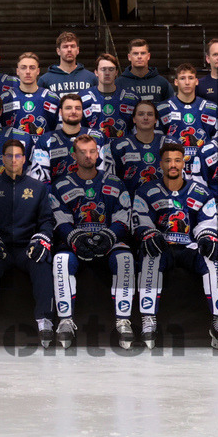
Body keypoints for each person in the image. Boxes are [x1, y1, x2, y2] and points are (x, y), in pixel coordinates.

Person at [132, 142, 218, 349]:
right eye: (168, 161)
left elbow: (207, 222)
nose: (173, 165)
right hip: (163, 246)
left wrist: (206, 236)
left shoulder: (201, 192)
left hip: (189, 247)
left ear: (184, 162)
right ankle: (148, 319)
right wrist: (149, 233)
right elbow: (141, 219)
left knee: (214, 255)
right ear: (161, 164)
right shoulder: (146, 190)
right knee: (150, 255)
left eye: (177, 160)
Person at [50, 135, 135, 348]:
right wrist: (75, 238)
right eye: (83, 152)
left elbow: (123, 215)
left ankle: (123, 321)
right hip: (76, 242)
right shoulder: (61, 185)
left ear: (98, 154)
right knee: (60, 260)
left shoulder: (114, 182)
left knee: (126, 258)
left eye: (92, 151)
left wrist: (109, 236)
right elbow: (59, 218)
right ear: (73, 155)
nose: (88, 156)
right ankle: (65, 322)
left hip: (108, 242)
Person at [0, 139, 57, 348]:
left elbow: (46, 220)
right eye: (9, 156)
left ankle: (44, 321)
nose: (13, 160)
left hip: (26, 248)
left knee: (42, 264)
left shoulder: (38, 188)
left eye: (18, 156)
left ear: (24, 159)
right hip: (0, 248)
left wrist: (42, 239)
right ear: (2, 159)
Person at [28, 93, 106, 184]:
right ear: (60, 112)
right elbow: (40, 181)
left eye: (77, 108)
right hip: (57, 195)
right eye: (68, 108)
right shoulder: (46, 140)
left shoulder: (97, 137)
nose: (73, 111)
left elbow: (104, 174)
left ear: (82, 111)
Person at [157, 63, 218, 175]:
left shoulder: (210, 108)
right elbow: (156, 140)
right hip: (173, 169)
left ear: (196, 81)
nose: (187, 82)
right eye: (182, 78)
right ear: (176, 82)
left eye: (190, 78)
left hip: (203, 169)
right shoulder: (163, 109)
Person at [105, 100, 177, 195]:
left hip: (164, 202)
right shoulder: (120, 146)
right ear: (134, 119)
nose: (145, 118)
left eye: (150, 114)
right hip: (130, 203)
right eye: (141, 114)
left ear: (156, 119)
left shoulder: (169, 143)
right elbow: (112, 180)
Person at [78, 53, 140, 140]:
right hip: (93, 151)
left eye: (111, 69)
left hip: (124, 149)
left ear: (116, 72)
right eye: (103, 69)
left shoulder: (131, 98)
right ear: (96, 72)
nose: (107, 73)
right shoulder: (83, 98)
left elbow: (137, 130)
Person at [1, 52, 60, 139]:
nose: (28, 72)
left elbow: (60, 130)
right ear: (17, 71)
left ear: (38, 71)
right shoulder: (5, 98)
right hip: (14, 151)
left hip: (43, 150)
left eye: (32, 68)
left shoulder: (52, 98)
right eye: (23, 68)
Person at [37, 31, 98, 98]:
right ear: (58, 51)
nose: (69, 49)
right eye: (65, 47)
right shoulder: (45, 80)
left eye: (72, 46)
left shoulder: (91, 78)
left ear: (77, 50)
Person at [116, 38, 174, 103]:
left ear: (148, 56)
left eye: (143, 53)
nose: (139, 56)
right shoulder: (119, 84)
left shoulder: (162, 83)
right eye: (135, 53)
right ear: (129, 57)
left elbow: (171, 108)